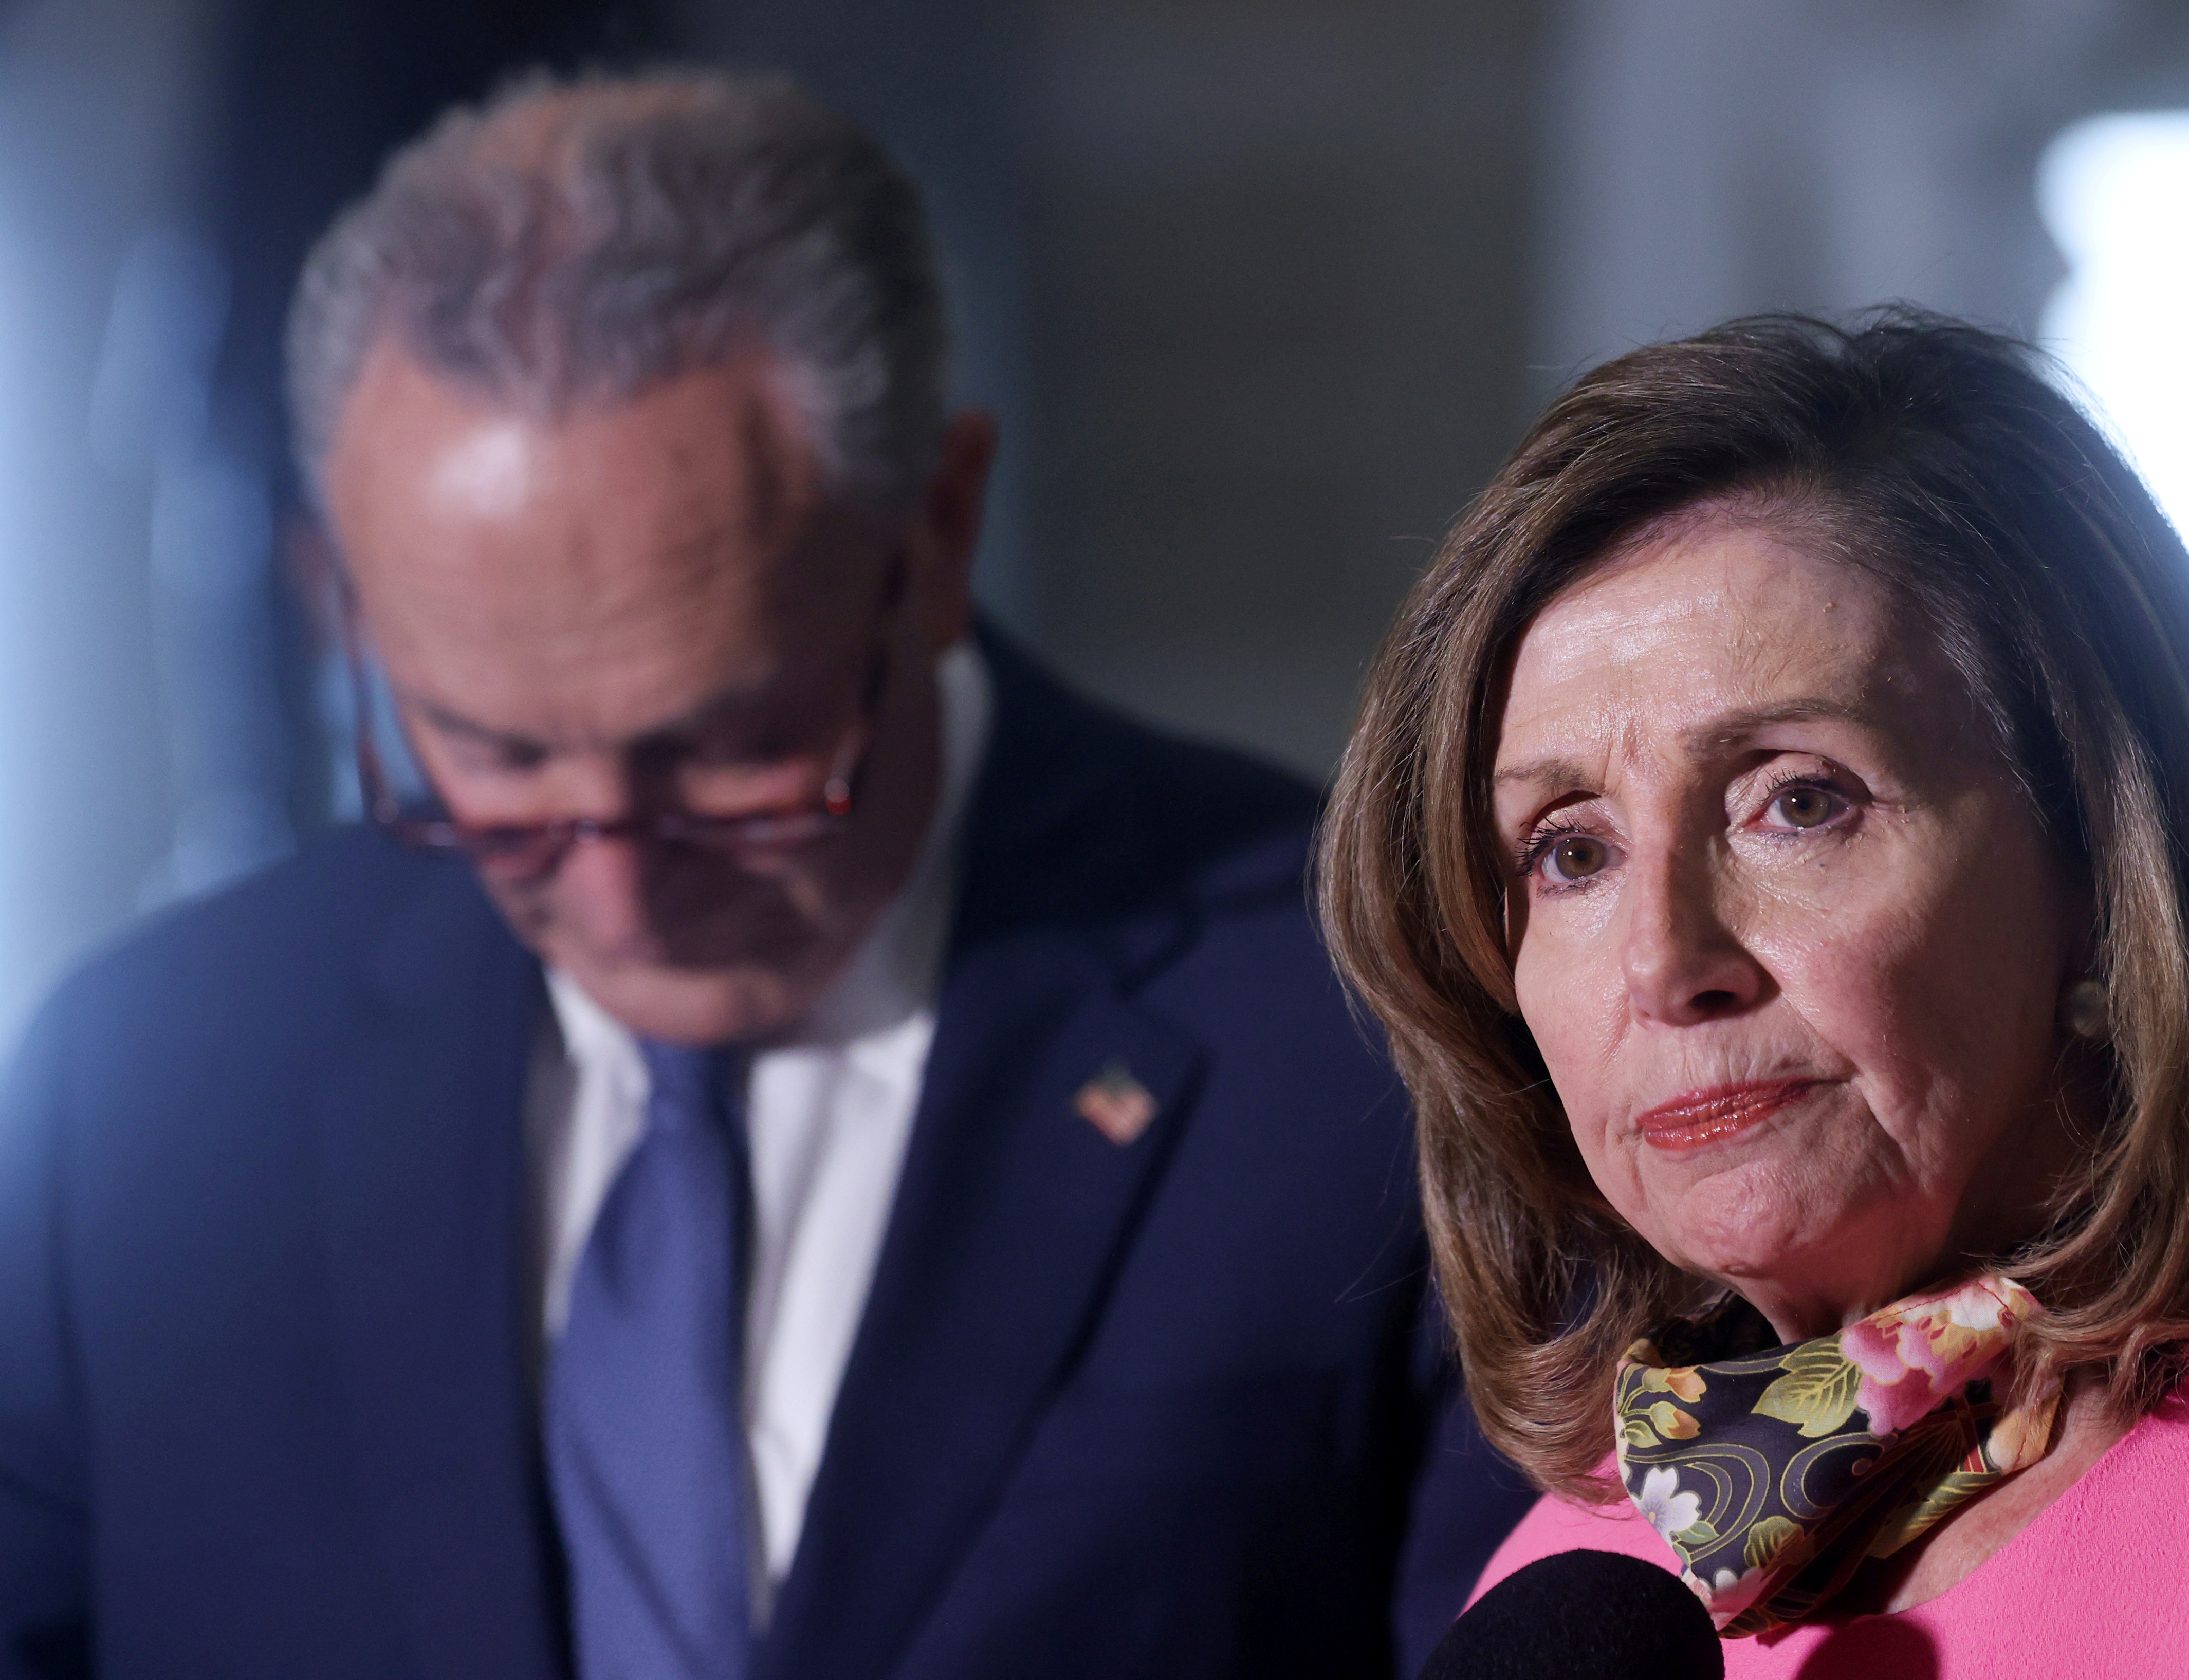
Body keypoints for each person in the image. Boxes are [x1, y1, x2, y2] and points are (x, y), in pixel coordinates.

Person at [0, 71, 1528, 1679]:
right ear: (341, 605)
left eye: (729, 755)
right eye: (495, 761)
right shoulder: (142, 1094)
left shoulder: (1372, 1025)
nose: (615, 897)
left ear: (939, 531)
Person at [1316, 312, 2189, 1675]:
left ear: (2102, 869)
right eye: (1571, 852)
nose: (1662, 962)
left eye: (1799, 801)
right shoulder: (1576, 1583)